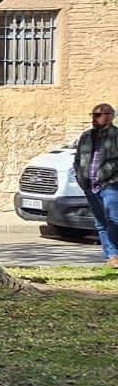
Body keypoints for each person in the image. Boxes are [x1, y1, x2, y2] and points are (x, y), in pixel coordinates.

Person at [73, 102, 118, 267]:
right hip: (89, 186)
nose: (94, 118)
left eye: (98, 115)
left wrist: (108, 174)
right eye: (93, 115)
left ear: (110, 117)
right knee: (100, 223)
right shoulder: (86, 136)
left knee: (113, 219)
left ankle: (115, 255)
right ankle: (109, 256)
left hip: (111, 185)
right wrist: (80, 177)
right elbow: (78, 159)